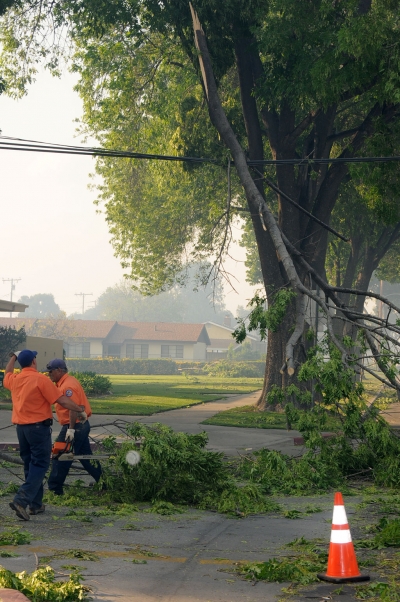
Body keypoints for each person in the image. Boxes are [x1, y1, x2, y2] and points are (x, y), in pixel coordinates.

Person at [4, 350, 88, 521]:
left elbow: (7, 372)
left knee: (30, 464)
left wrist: (13, 357)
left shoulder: (15, 380)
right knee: (41, 464)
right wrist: (79, 409)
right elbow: (62, 400)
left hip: (21, 429)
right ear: (34, 361)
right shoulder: (40, 379)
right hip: (37, 429)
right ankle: (21, 500)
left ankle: (35, 504)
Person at [46, 358, 102, 496]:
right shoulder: (66, 382)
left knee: (61, 455)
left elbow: (73, 409)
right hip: (81, 425)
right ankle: (104, 481)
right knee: (86, 457)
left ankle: (55, 489)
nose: (49, 374)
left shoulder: (67, 386)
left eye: (51, 371)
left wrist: (70, 429)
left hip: (74, 425)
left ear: (59, 370)